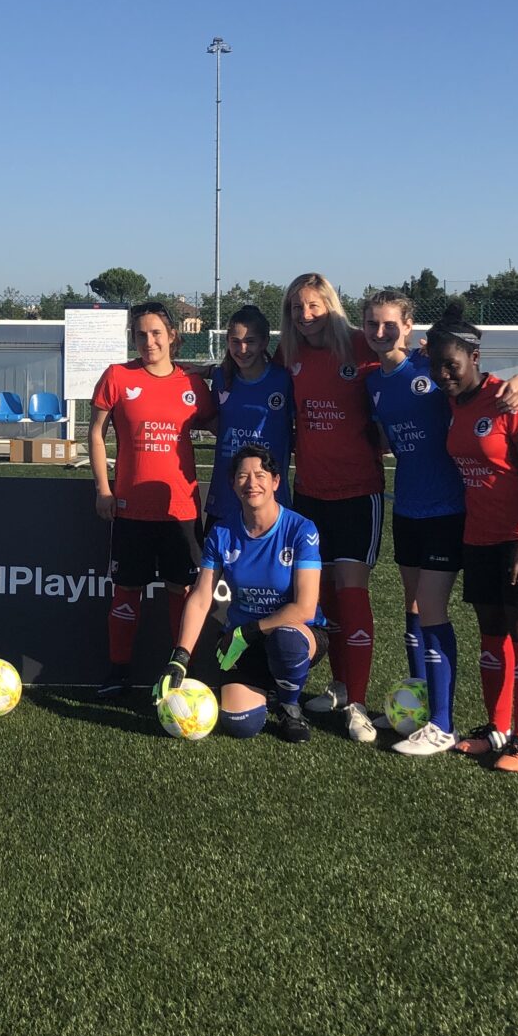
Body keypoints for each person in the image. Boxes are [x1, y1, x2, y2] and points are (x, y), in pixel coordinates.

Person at [427, 306, 518, 773]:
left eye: (452, 365)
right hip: (479, 536)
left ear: (474, 358)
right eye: (436, 366)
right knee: (491, 633)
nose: (443, 374)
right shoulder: (451, 402)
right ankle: (497, 728)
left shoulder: (508, 399)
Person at [87, 300, 217, 696]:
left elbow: (222, 426)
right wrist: (104, 488)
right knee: (127, 590)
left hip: (181, 509)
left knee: (183, 591)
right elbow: (96, 434)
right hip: (131, 508)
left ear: (172, 336)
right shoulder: (117, 376)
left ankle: (180, 674)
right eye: (141, 334)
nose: (149, 341)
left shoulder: (192, 385)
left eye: (156, 333)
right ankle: (118, 672)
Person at [277, 272, 386, 740]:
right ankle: (340, 686)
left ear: (330, 306)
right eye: (297, 307)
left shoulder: (361, 345)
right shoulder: (289, 353)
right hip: (310, 493)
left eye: (313, 306)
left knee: (351, 589)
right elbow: (242, 368)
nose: (305, 316)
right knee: (323, 596)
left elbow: (409, 365)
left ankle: (357, 703)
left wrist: (515, 382)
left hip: (359, 492)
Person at [157, 446, 322, 743]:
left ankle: (290, 706)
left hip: (296, 632)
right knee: (241, 724)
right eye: (243, 476)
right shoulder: (222, 533)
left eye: (260, 475)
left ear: (276, 481)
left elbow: (305, 608)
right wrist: (180, 656)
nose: (251, 483)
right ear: (233, 484)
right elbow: (201, 597)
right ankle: (270, 689)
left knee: (286, 641)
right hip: (242, 640)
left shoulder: (300, 529)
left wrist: (248, 631)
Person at [361, 289, 466, 756]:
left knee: (432, 608)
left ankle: (443, 724)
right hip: (406, 506)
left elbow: (476, 381)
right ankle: (418, 706)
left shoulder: (430, 368)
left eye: (390, 324)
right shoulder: (373, 382)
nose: (380, 332)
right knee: (413, 606)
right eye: (372, 324)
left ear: (408, 326)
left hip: (446, 507)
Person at [205, 304, 294, 529]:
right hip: (225, 496)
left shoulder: (283, 380)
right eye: (235, 341)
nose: (242, 349)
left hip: (269, 497)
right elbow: (213, 420)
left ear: (264, 342)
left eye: (250, 341)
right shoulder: (221, 378)